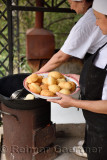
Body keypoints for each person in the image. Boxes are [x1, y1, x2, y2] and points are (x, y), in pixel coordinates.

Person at [37, 0, 107, 158]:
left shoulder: (87, 27)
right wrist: (82, 79)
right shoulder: (105, 43)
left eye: (98, 18)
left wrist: (73, 102)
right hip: (97, 126)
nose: (95, 24)